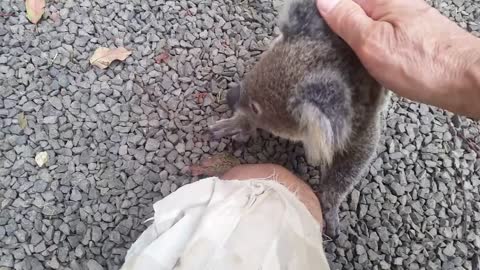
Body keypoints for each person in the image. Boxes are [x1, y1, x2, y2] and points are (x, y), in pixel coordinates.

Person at [120, 0, 480, 269]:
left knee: (337, 172)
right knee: (252, 92)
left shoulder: (350, 122)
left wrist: (332, 194)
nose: (236, 97)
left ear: (315, 128)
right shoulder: (293, 45)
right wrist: (246, 113)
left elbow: (357, 153)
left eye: (254, 107)